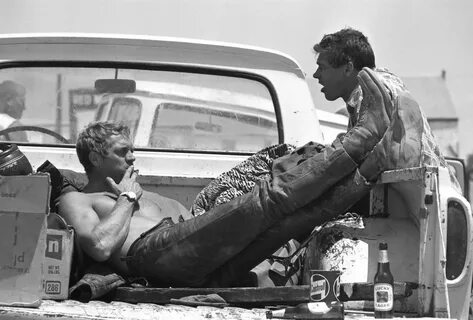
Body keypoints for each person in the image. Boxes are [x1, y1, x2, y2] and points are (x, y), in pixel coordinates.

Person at [58, 66, 397, 288]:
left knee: (289, 224)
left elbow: (195, 226)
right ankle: (360, 138)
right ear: (94, 158)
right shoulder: (77, 199)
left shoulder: (147, 194)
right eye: (122, 152)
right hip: (149, 254)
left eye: (132, 149)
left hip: (194, 265)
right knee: (267, 200)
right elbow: (100, 247)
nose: (133, 156)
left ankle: (369, 167)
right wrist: (128, 198)